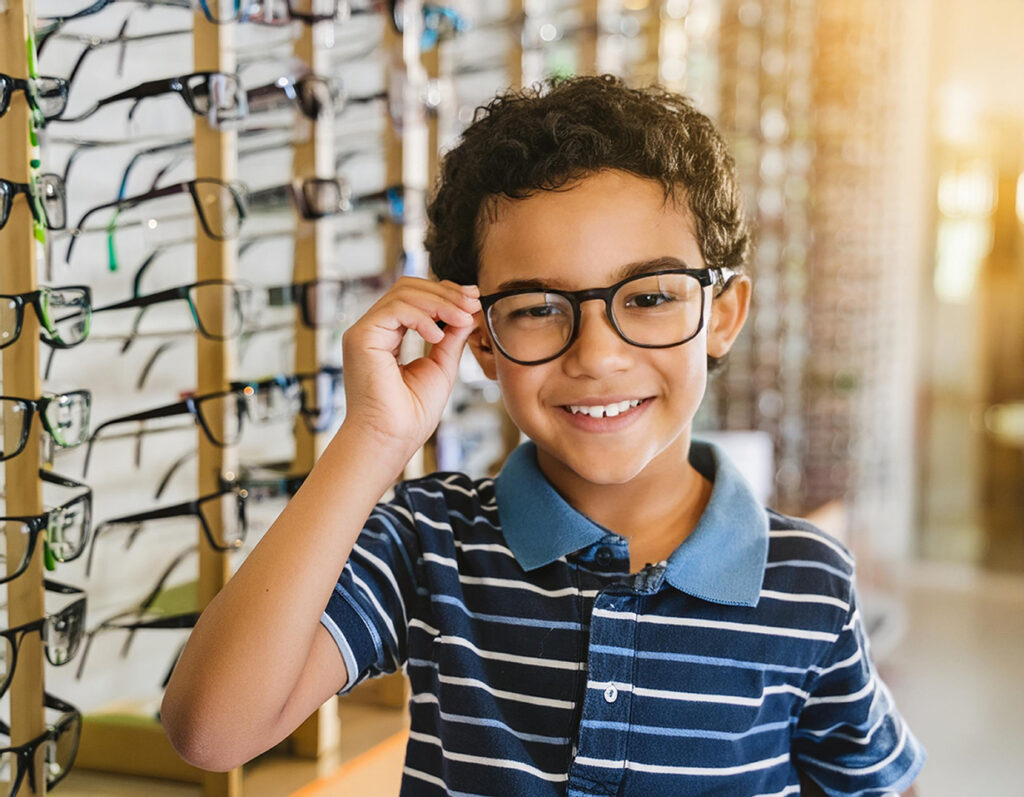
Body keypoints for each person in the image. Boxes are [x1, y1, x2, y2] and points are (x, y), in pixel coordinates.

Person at [162, 75, 925, 796]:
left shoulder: (807, 581)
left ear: (722, 314)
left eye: (651, 296)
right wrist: (372, 436)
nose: (596, 355)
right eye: (535, 307)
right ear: (482, 340)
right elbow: (211, 729)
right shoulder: (430, 543)